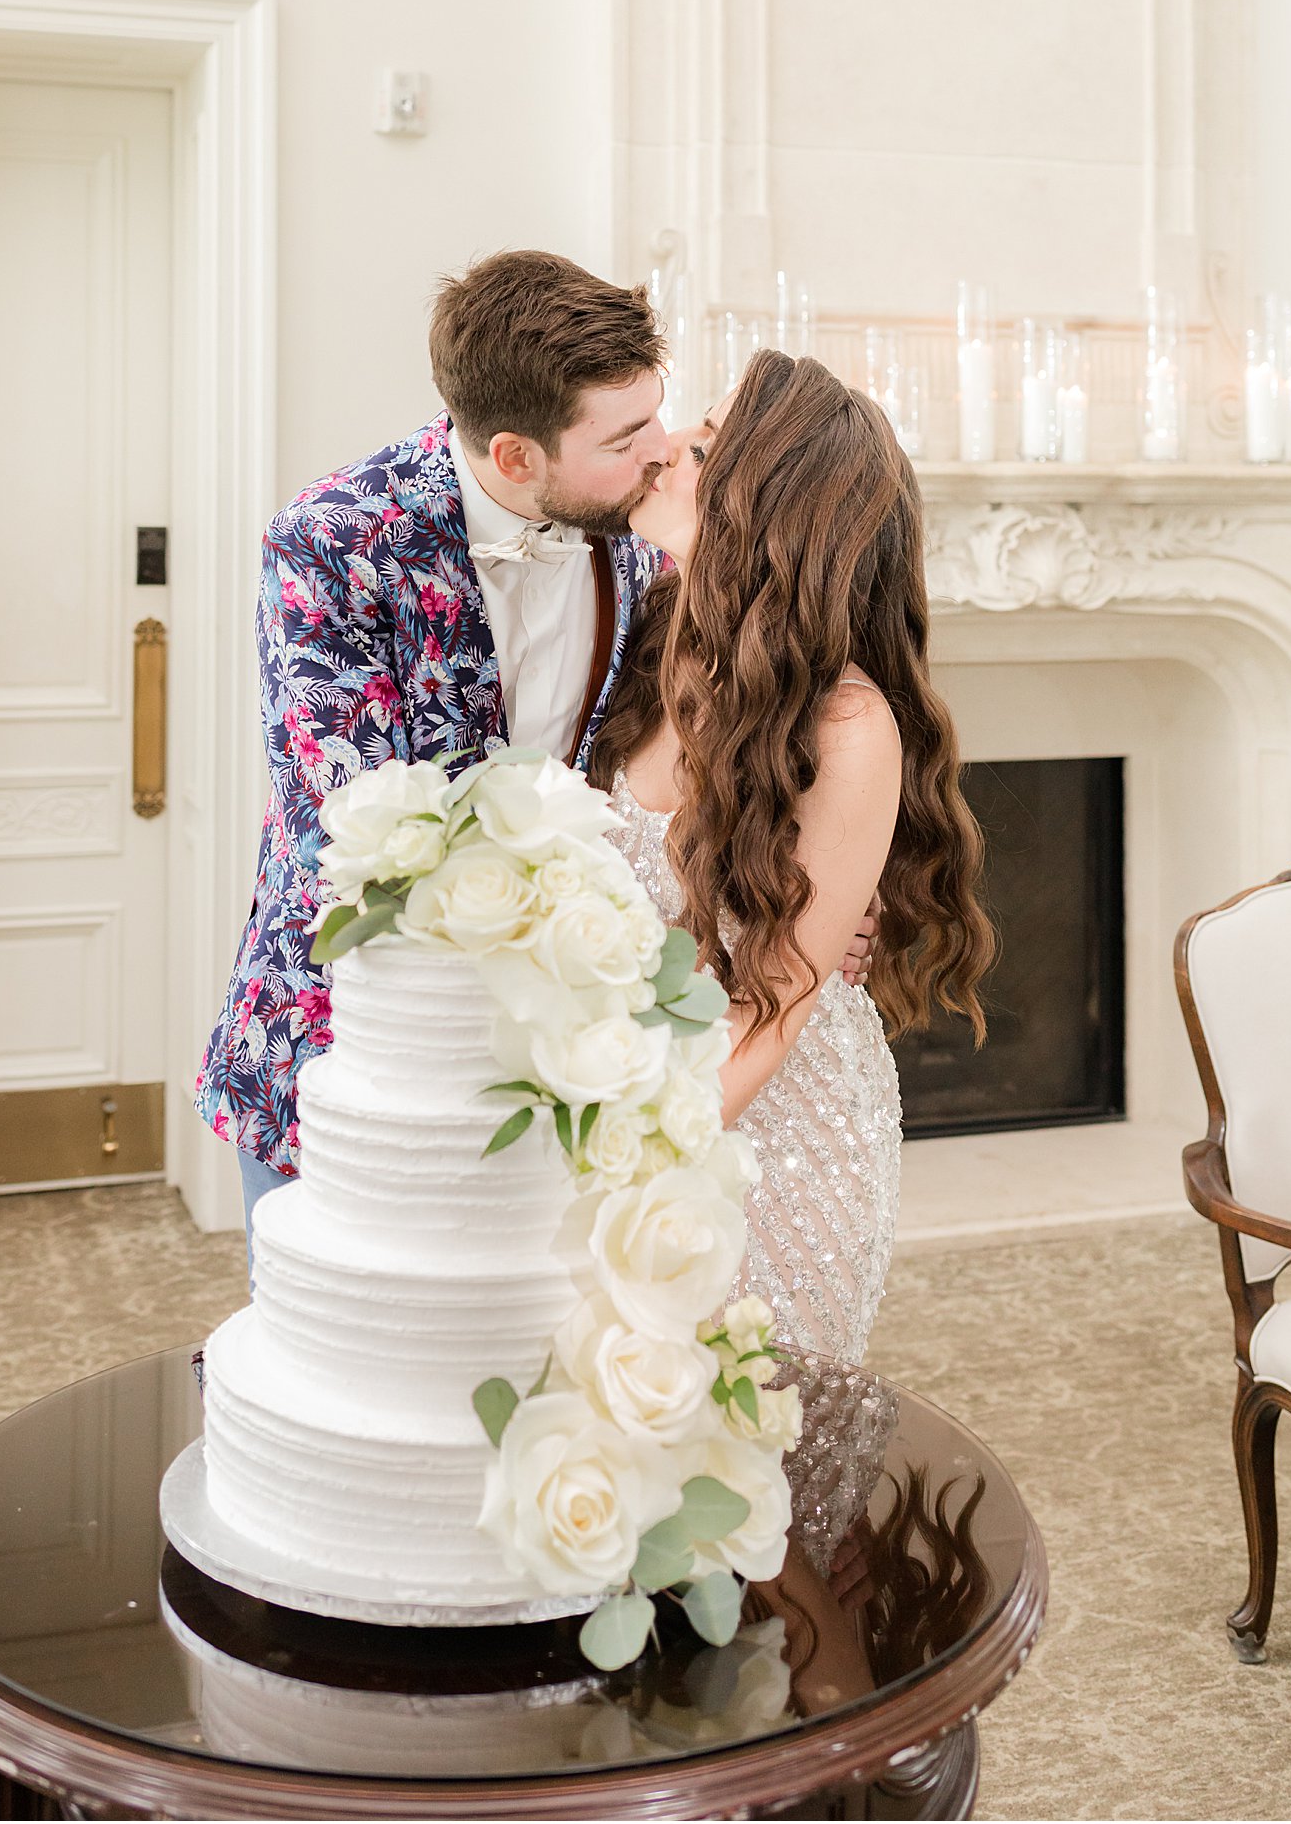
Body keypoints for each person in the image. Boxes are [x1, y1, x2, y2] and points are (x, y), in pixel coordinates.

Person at [194, 254, 878, 1266]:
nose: (661, 451)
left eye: (658, 414)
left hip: (572, 1066)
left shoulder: (649, 538)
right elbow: (348, 845)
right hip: (365, 1045)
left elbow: (722, 767)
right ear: (515, 457)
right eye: (623, 436)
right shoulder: (332, 545)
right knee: (344, 1374)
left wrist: (811, 906)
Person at [588, 348, 994, 1361]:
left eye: (708, 441)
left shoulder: (848, 730)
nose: (667, 446)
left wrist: (606, 1165)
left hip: (769, 1135)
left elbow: (769, 1008)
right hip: (629, 1096)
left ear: (763, 503)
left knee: (752, 1461)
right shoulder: (639, 635)